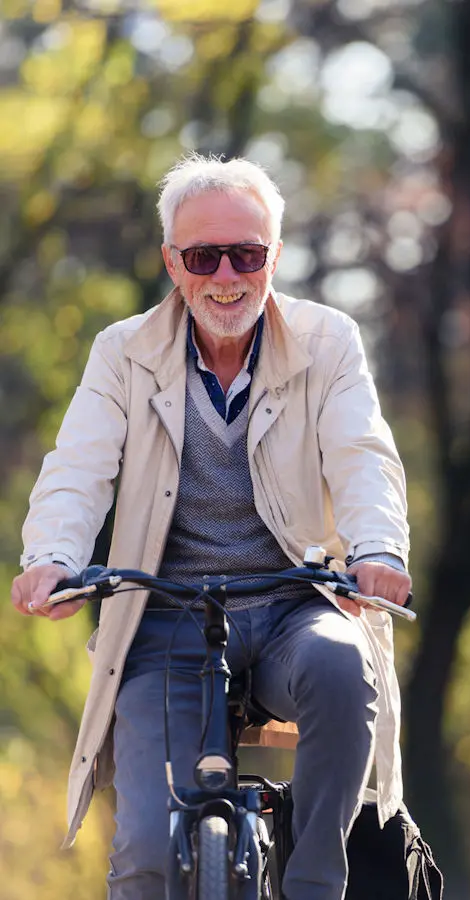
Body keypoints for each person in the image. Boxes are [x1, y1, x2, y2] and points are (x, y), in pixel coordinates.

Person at [10, 154, 411, 900]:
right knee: (147, 861)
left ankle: (316, 885)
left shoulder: (329, 342)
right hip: (166, 616)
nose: (226, 275)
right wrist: (54, 558)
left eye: (247, 254)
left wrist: (378, 549)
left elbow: (363, 455)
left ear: (275, 257)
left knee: (341, 666)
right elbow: (77, 468)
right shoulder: (122, 353)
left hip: (298, 603)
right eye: (203, 256)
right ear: (173, 263)